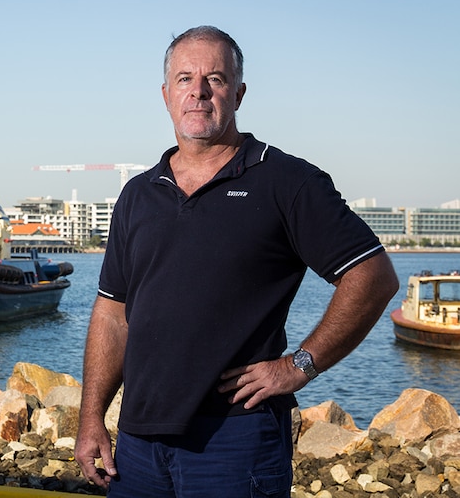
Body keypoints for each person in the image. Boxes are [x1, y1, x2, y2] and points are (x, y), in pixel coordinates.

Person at [74, 26, 399, 497]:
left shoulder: (287, 182)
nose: (199, 91)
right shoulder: (138, 194)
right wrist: (91, 420)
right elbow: (112, 314)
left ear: (239, 93)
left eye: (216, 79)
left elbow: (373, 276)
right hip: (139, 444)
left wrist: (299, 365)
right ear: (166, 94)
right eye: (185, 78)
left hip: (236, 440)